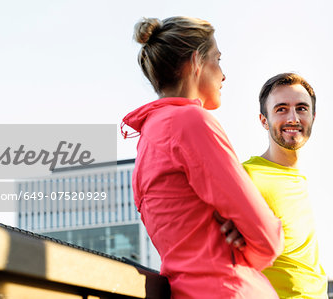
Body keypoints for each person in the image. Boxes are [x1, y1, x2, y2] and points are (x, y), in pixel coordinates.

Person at [121, 16, 283, 298]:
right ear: (196, 62)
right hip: (228, 288)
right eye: (217, 59)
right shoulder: (191, 122)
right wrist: (244, 238)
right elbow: (268, 238)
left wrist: (239, 228)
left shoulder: (148, 138)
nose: (223, 74)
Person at [242, 73, 327, 298]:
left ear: (313, 117)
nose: (293, 118)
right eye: (281, 109)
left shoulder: (300, 178)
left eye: (301, 108)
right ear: (264, 120)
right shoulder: (246, 176)